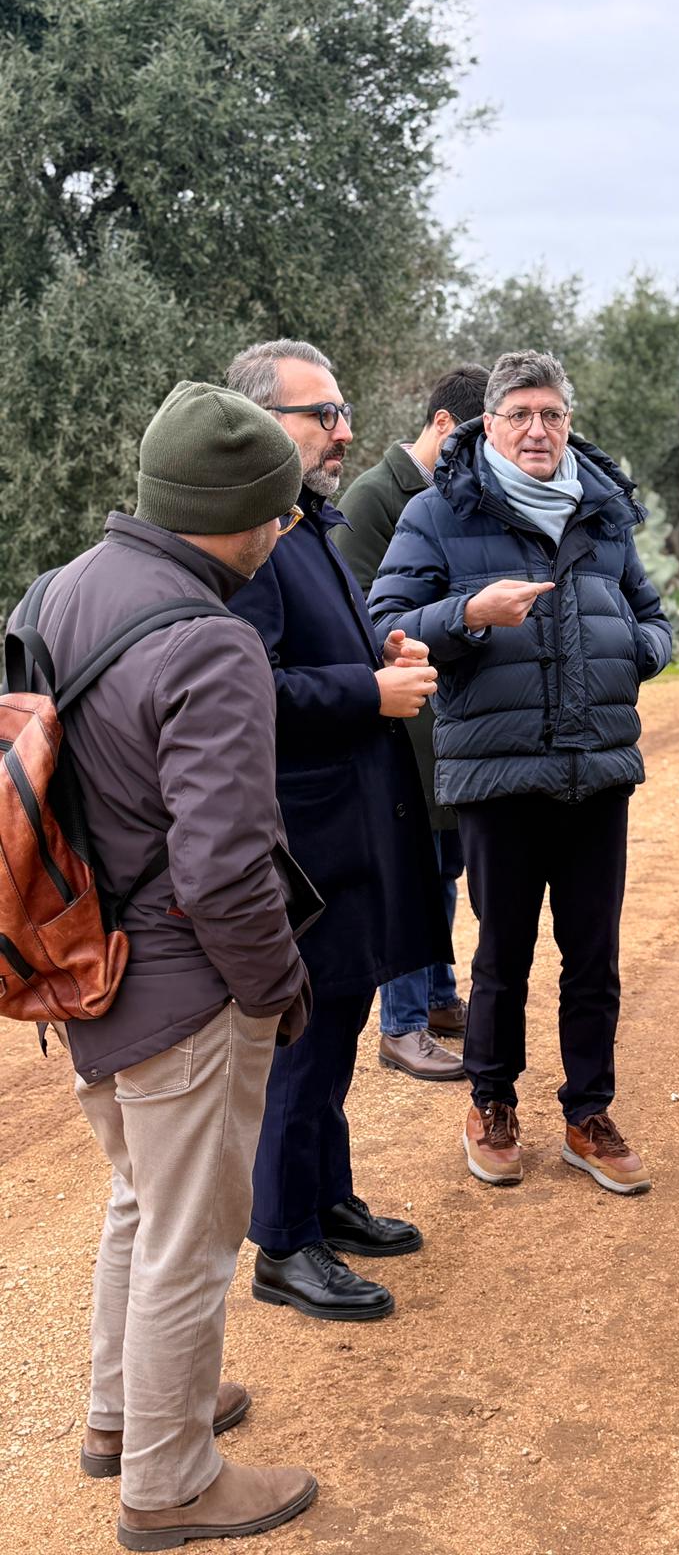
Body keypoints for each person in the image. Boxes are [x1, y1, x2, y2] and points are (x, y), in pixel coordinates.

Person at [20, 382, 316, 1546]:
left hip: (84, 963)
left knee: (140, 1204)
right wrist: (276, 989)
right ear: (245, 517)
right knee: (191, 1239)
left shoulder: (57, 588)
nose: (288, 527)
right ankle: (171, 1478)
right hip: (183, 984)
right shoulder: (212, 641)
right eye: (282, 510)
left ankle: (122, 1415)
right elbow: (228, 870)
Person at [368, 349, 672, 1194]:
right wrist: (467, 612)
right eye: (520, 415)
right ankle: (492, 1102)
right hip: (496, 775)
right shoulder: (439, 512)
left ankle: (588, 1113)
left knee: (594, 956)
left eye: (552, 414)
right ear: (489, 424)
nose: (538, 429)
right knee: (502, 954)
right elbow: (387, 619)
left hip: (596, 769)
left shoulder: (602, 510)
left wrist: (636, 651)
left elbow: (652, 616)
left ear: (568, 423)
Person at [224, 339, 452, 1320]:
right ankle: (284, 1243)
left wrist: (378, 651)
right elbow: (250, 690)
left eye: (342, 410)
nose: (344, 430)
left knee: (343, 1025)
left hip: (353, 830)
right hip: (305, 841)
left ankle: (327, 1197)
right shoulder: (249, 541)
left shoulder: (309, 524)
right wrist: (370, 688)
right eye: (321, 414)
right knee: (305, 1045)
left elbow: (320, 655)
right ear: (260, 423)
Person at [333, 364, 490, 1081]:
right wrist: (457, 615)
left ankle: (437, 996)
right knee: (409, 874)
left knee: (443, 867)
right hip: (402, 723)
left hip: (448, 719)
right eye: (479, 436)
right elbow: (360, 613)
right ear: (445, 425)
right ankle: (400, 1027)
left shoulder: (459, 492)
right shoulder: (375, 497)